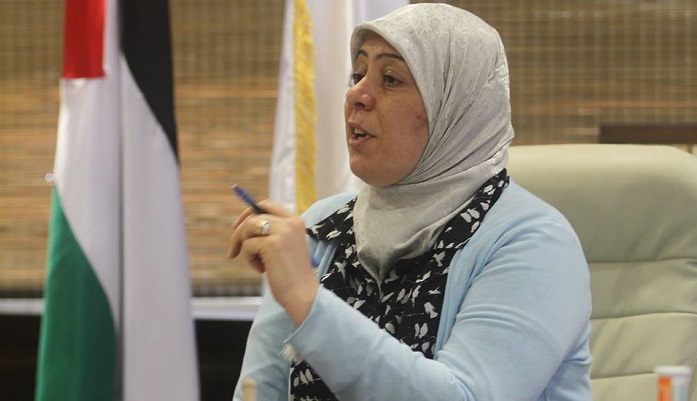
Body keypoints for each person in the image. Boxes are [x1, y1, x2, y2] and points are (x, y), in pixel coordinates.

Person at [229, 3, 592, 401]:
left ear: (454, 106)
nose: (357, 95)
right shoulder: (324, 225)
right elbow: (257, 392)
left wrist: (307, 299)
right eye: (357, 74)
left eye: (391, 79)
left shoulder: (535, 243)